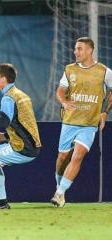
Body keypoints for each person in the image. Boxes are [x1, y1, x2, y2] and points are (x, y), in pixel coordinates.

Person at [51, 37, 112, 207]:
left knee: (77, 156)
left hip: (89, 125)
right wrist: (63, 102)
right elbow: (60, 91)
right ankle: (59, 185)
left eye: (79, 49)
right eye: (75, 49)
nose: (75, 52)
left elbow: (111, 92)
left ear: (90, 50)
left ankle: (60, 193)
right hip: (69, 122)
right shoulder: (69, 69)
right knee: (63, 157)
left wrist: (105, 112)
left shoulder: (104, 71)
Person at [0, 64, 42, 210]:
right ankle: (1, 203)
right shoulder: (21, 95)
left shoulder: (8, 98)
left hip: (23, 148)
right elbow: (24, 123)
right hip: (29, 145)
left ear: (3, 79)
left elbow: (3, 121)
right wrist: (6, 136)